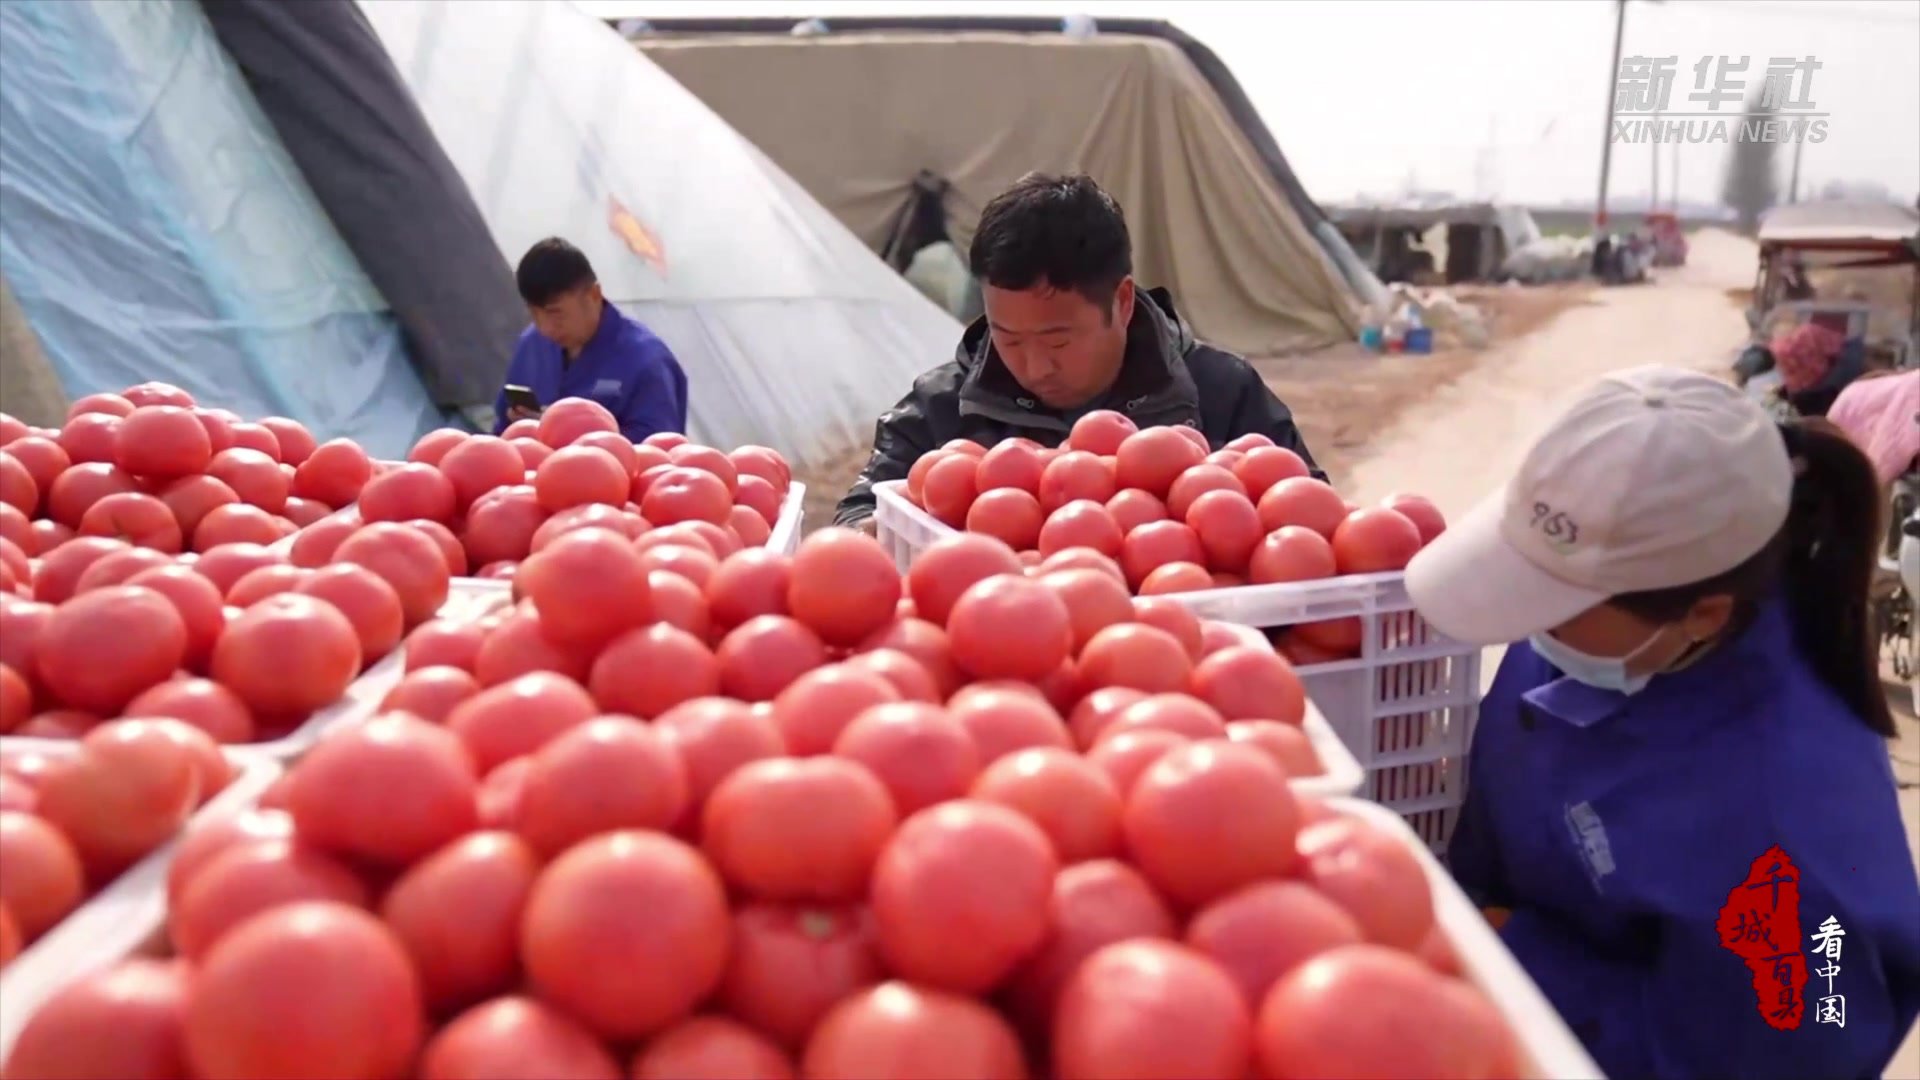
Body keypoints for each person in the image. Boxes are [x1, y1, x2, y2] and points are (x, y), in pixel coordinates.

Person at [1404, 365, 1920, 1080]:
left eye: (1549, 604)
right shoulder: (1603, 620)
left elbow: (1782, 1052)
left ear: (1704, 614)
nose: (1524, 623)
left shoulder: (1785, 839)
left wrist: (1510, 946)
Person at [834, 173, 1323, 530]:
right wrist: (879, 535)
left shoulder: (1220, 393)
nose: (1034, 366)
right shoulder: (943, 405)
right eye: (1008, 337)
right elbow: (858, 513)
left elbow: (1313, 512)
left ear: (1123, 302)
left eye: (1058, 340)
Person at [494, 238, 688, 443]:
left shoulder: (645, 361)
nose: (545, 327)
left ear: (594, 295)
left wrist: (568, 432)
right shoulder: (531, 345)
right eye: (534, 314)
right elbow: (501, 431)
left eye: (555, 313)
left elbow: (658, 447)